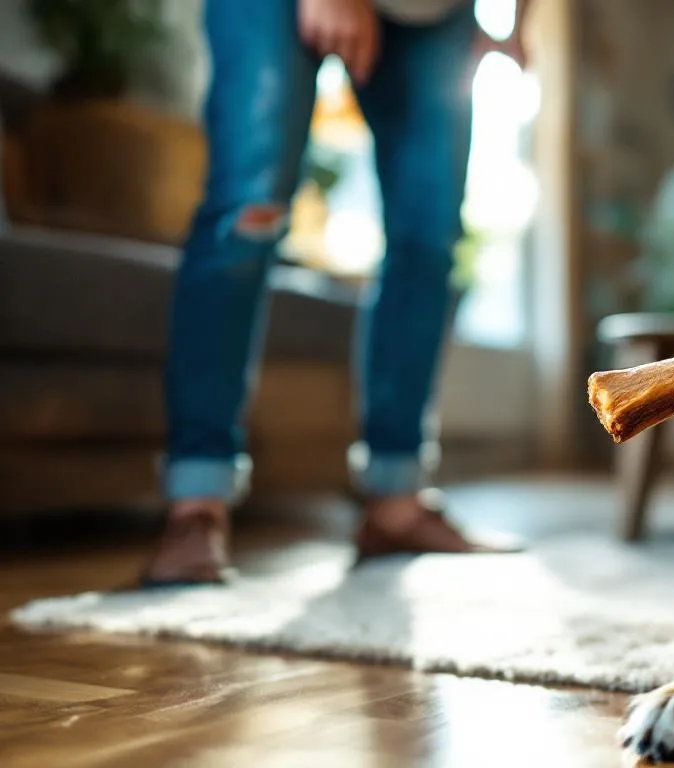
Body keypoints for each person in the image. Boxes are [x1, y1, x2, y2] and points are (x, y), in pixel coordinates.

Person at [143, 0, 526, 585]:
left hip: (432, 16)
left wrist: (519, 22)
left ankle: (395, 502)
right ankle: (197, 503)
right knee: (248, 211)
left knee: (428, 238)